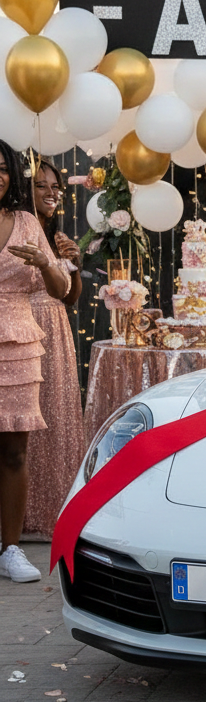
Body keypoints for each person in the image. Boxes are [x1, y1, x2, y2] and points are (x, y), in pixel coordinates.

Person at [0, 142, 71, 582]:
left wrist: (46, 260)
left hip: (19, 342)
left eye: (3, 169)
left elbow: (61, 289)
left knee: (13, 452)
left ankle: (9, 549)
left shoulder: (26, 222)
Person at [24, 157, 86, 538]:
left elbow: (70, 299)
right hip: (26, 327)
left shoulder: (58, 236)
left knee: (56, 417)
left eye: (56, 187)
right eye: (42, 185)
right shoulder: (18, 232)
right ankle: (24, 513)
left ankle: (55, 506)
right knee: (26, 422)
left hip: (58, 331)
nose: (52, 193)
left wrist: (74, 262)